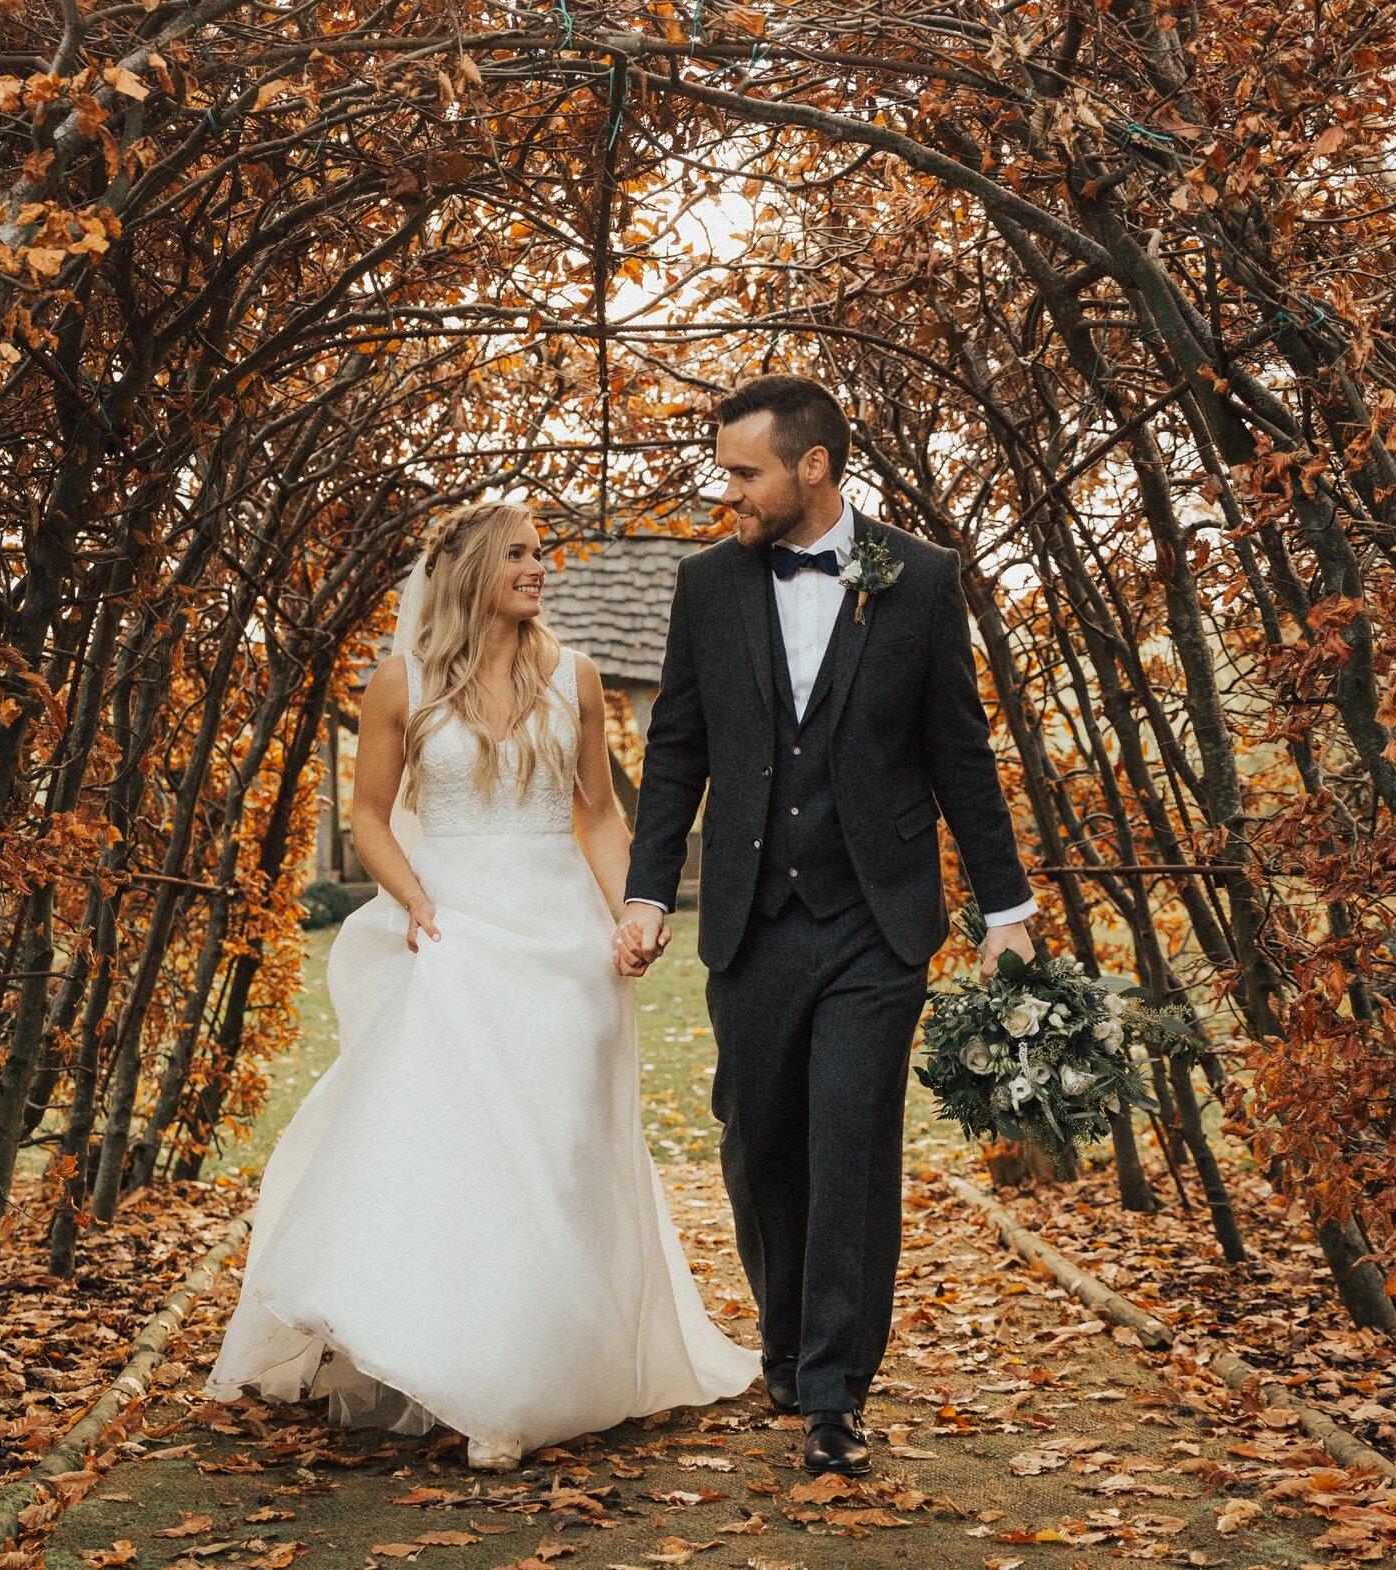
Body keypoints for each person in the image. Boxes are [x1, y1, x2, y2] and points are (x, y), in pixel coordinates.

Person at [207, 498, 759, 1471]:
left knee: (558, 1155)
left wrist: (634, 908)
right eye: (520, 554)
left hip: (561, 944)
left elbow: (596, 812)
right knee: (458, 1154)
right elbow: (371, 816)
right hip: (452, 936)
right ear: (467, 569)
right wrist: (415, 901)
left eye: (541, 552)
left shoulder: (574, 676)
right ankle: (472, 1376)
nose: (539, 567)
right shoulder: (401, 681)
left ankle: (542, 1367)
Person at [616, 374, 1041, 1478]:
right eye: (724, 471)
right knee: (761, 1145)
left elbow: (959, 753)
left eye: (744, 472)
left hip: (874, 918)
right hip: (752, 920)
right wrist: (648, 890)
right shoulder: (706, 584)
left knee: (849, 1138)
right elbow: (676, 748)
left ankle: (834, 1389)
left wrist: (1007, 910)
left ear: (812, 466)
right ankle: (789, 1337)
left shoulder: (920, 578)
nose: (730, 493)